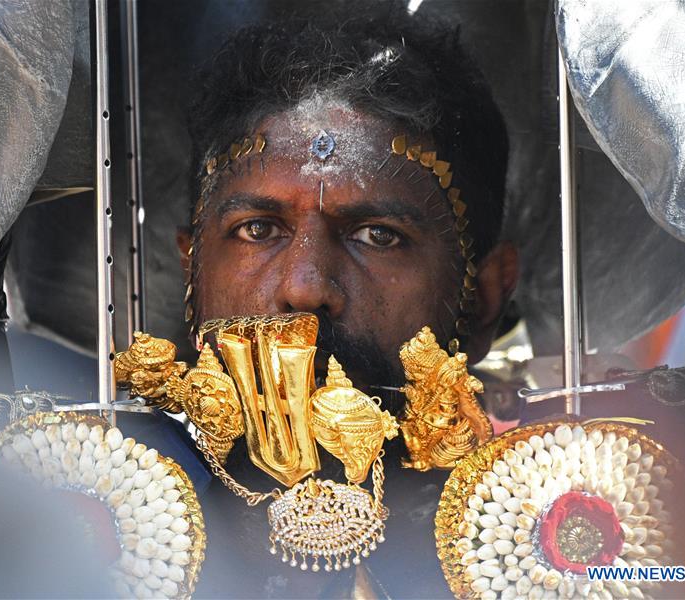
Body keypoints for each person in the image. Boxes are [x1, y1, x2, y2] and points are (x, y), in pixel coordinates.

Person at [176, 13, 518, 598]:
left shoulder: (567, 540)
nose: (306, 287)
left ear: (482, 300)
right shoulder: (81, 526)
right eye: (258, 229)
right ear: (192, 274)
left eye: (377, 236)